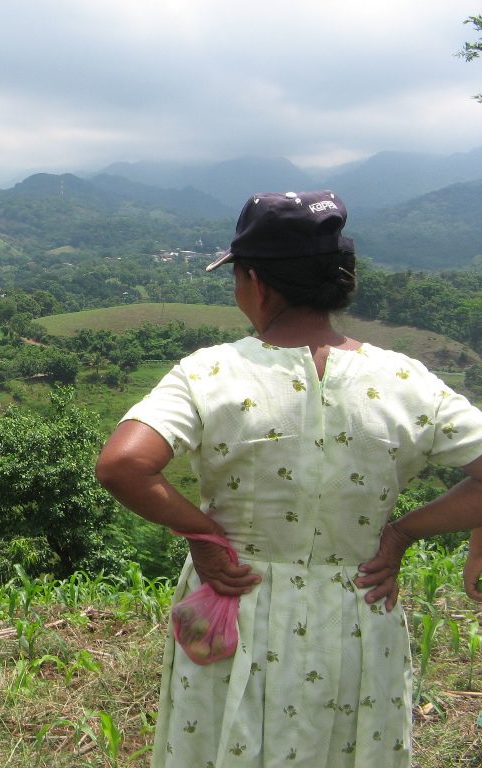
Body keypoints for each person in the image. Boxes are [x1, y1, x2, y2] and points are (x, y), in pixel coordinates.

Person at [95, 190, 482, 768]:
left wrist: (205, 536)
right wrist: (400, 535)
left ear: (256, 283)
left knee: (227, 740)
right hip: (359, 604)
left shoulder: (211, 373)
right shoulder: (407, 379)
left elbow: (123, 464)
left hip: (238, 597)